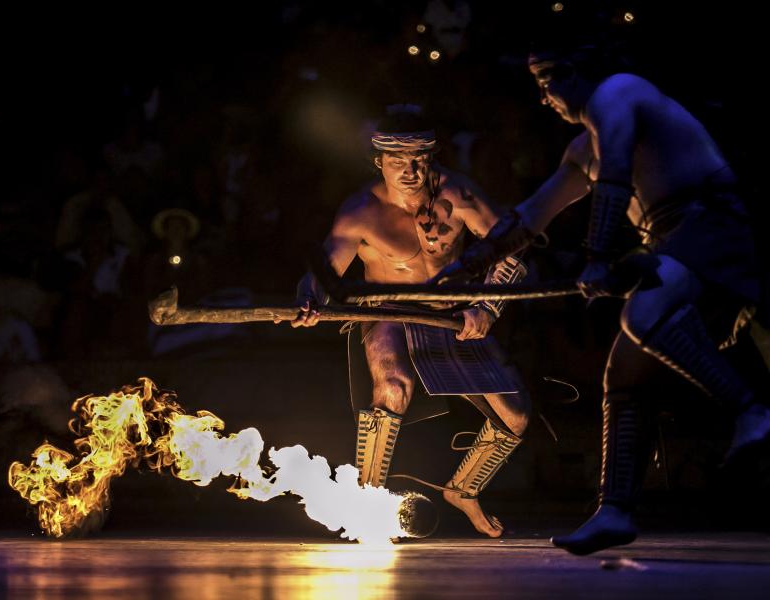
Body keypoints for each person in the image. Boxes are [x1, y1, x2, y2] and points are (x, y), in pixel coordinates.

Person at [441, 41, 770, 554]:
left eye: (546, 82)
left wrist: (597, 256)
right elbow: (529, 218)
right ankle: (614, 511)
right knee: (625, 375)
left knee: (643, 313)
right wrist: (465, 267)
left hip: (712, 225)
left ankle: (752, 408)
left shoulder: (619, 92)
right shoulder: (581, 151)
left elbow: (616, 170)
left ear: (574, 71)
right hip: (672, 243)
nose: (544, 98)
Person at [291, 106, 531, 537]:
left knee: (514, 418)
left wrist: (487, 308)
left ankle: (464, 489)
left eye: (419, 159)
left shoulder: (458, 197)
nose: (410, 170)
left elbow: (512, 250)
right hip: (387, 311)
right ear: (378, 161)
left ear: (433, 156)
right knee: (394, 386)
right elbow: (325, 272)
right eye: (398, 161)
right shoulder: (361, 211)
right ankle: (366, 499)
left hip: (452, 314)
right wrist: (309, 299)